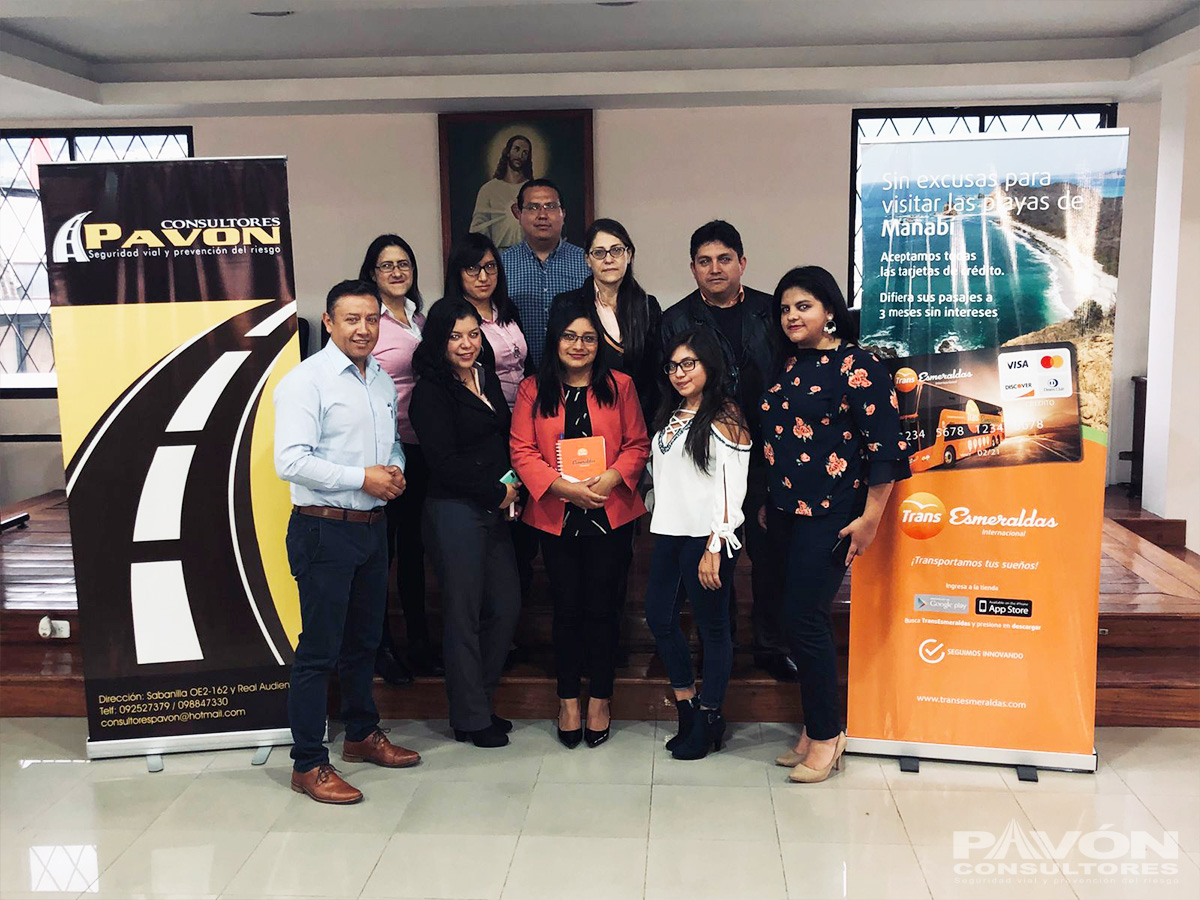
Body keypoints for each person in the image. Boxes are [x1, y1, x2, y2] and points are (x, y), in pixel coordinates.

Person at [760, 265, 910, 783]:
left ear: (829, 311)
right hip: (784, 511)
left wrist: (870, 519)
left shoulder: (859, 365)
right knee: (792, 619)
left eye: (803, 306)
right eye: (785, 308)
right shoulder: (787, 363)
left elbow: (886, 450)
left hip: (832, 514)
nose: (791, 316)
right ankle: (812, 728)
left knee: (807, 619)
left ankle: (828, 734)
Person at [274, 279, 421, 804]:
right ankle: (308, 763)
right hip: (324, 529)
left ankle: (360, 734)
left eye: (371, 319)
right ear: (329, 322)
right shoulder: (305, 381)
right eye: (351, 319)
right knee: (319, 651)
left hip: (372, 527)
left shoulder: (378, 378)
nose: (363, 329)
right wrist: (363, 478)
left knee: (364, 642)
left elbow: (392, 444)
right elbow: (290, 461)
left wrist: (394, 470)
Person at [509, 297, 649, 749]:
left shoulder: (620, 385)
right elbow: (521, 450)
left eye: (589, 338)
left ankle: (601, 700)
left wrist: (609, 478)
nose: (579, 345)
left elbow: (637, 444)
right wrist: (563, 488)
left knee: (605, 609)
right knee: (566, 608)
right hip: (557, 514)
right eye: (570, 336)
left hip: (611, 510)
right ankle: (568, 699)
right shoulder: (533, 389)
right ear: (556, 340)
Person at [660, 220, 794, 683]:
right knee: (710, 552)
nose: (714, 269)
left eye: (723, 259)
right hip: (706, 453)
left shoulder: (769, 312)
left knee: (768, 552)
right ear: (692, 268)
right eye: (704, 261)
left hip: (767, 451)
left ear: (742, 262)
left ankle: (771, 645)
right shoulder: (675, 319)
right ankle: (719, 643)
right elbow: (669, 387)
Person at [409, 298, 522, 749]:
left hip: (495, 508)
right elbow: (443, 462)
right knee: (463, 614)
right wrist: (496, 492)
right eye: (455, 336)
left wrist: (509, 489)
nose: (466, 343)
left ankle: (479, 702)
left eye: (473, 334)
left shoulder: (485, 376)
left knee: (506, 605)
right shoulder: (430, 391)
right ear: (438, 340)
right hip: (453, 511)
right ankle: (470, 717)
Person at [645, 328, 751, 760]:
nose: (679, 373)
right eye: (673, 366)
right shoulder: (671, 413)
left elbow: (732, 485)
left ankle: (710, 716)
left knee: (713, 629)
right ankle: (687, 708)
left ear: (709, 364)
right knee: (659, 618)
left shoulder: (726, 415)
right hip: (670, 532)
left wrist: (715, 543)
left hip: (708, 537)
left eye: (689, 363)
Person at [359, 234, 442, 683]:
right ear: (372, 273)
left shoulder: (420, 318)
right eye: (387, 265)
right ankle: (380, 646)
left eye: (404, 263)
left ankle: (419, 642)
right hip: (384, 454)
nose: (396, 272)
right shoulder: (368, 322)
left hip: (422, 447)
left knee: (414, 551)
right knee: (383, 554)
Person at [550, 217, 662, 424]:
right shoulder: (566, 305)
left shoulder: (648, 306)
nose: (608, 259)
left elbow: (655, 373)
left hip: (639, 418)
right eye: (599, 253)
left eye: (616, 250)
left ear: (629, 255)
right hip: (585, 416)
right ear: (587, 259)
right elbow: (555, 367)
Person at [500, 178, 590, 369]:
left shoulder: (586, 262)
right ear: (518, 213)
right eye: (533, 207)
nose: (542, 215)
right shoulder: (500, 266)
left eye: (550, 206)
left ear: (563, 213)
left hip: (576, 374)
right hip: (517, 375)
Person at [442, 231, 531, 409]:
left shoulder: (507, 307)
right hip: (488, 412)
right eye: (472, 268)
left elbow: (526, 363)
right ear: (458, 273)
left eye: (490, 266)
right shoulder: (452, 318)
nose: (483, 277)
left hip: (524, 406)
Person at [469, 134, 532, 250]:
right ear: (507, 152)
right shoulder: (488, 189)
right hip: (498, 256)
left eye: (525, 153)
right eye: (517, 149)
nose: (520, 156)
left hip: (529, 256)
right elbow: (478, 229)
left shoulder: (533, 190)